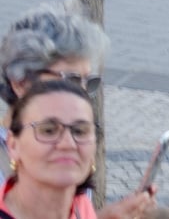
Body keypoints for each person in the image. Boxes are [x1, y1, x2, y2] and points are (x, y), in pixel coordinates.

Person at [1, 0, 156, 219]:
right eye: (70, 80)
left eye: (88, 82)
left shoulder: (71, 164)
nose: (81, 93)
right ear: (20, 82)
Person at [3, 80, 101, 219]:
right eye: (48, 130)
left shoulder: (80, 205)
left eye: (80, 131)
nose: (68, 144)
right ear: (13, 145)